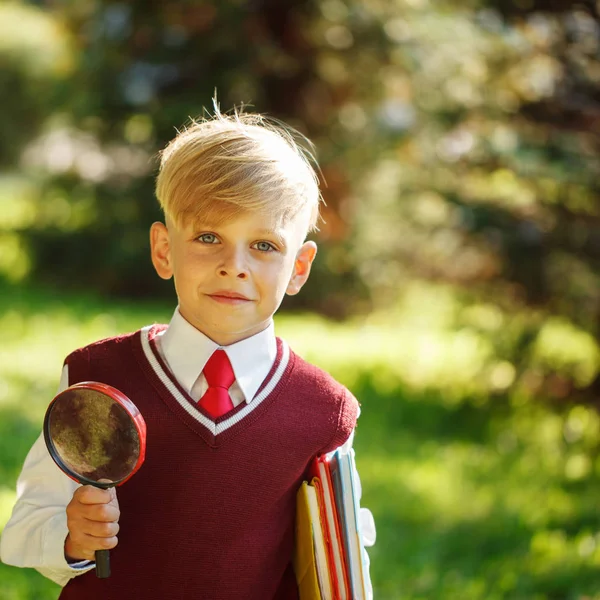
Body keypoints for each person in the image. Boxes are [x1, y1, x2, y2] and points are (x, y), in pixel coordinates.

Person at [0, 108, 375, 600]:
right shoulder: (97, 376)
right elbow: (23, 529)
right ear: (163, 250)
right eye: (207, 238)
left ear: (299, 266)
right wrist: (71, 538)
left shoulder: (324, 411)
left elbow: (337, 563)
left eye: (263, 245)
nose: (233, 266)